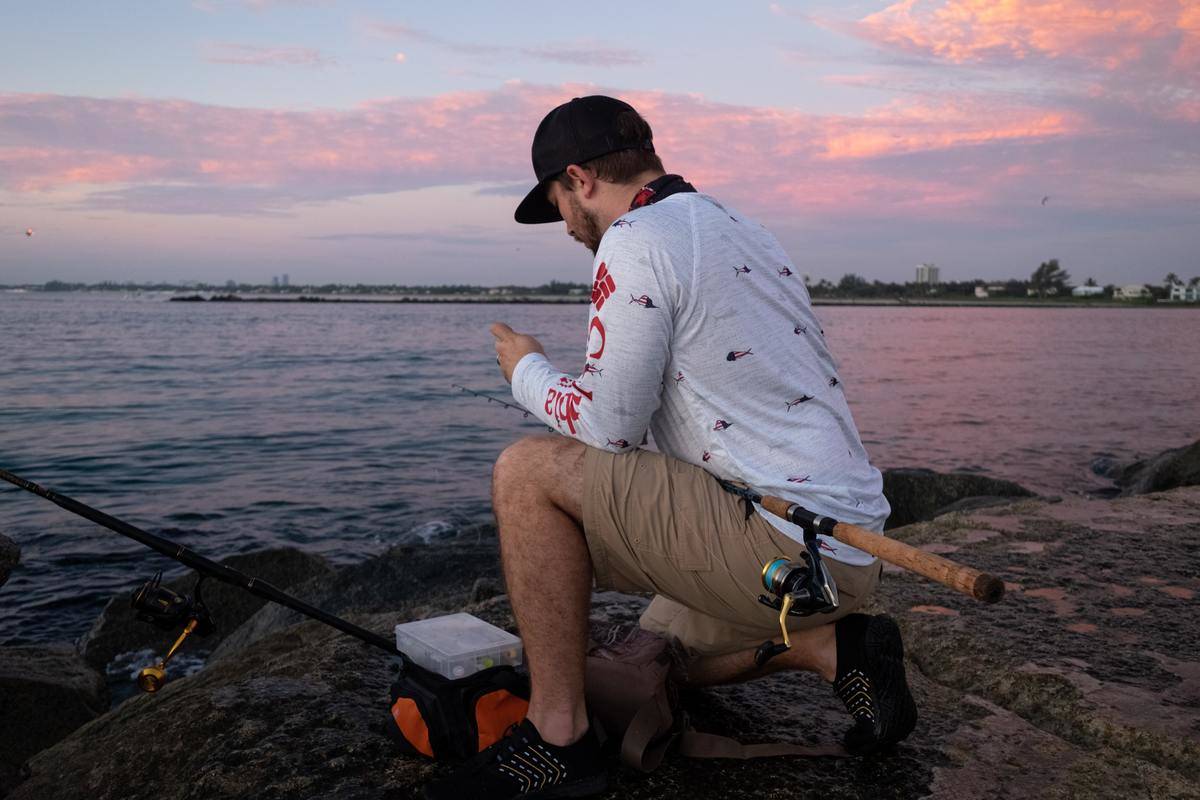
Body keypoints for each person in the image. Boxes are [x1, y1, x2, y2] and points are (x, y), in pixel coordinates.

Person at [422, 95, 916, 800]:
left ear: (580, 178)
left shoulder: (636, 238)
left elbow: (612, 427)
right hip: (847, 547)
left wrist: (525, 370)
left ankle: (558, 740)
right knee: (638, 662)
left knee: (525, 472)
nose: (564, 224)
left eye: (559, 202)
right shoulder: (743, 228)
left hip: (778, 541)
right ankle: (834, 648)